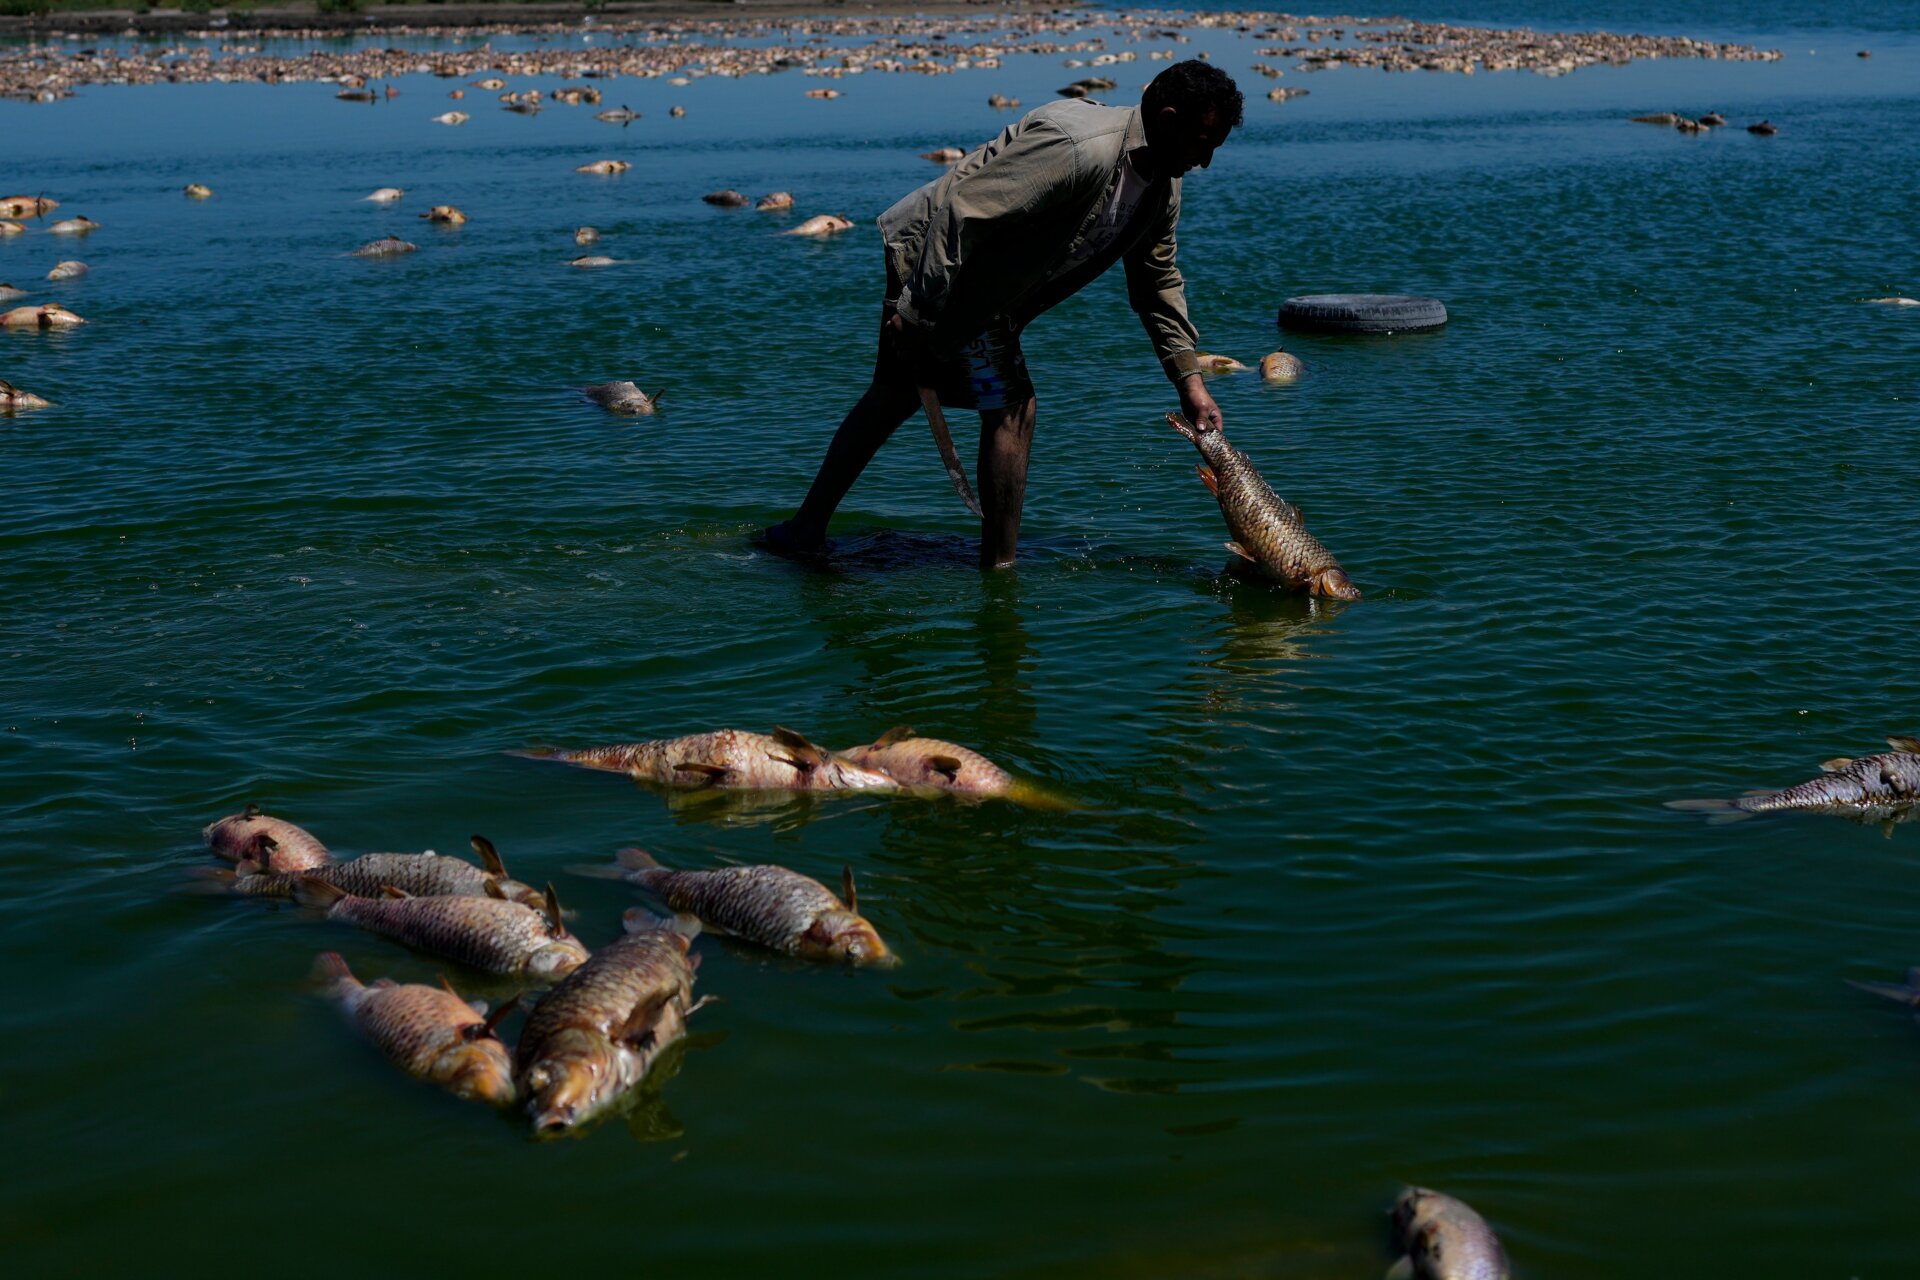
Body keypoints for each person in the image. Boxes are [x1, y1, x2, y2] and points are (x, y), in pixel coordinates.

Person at [763, 60, 1245, 569]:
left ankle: (804, 531)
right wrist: (917, 309)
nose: (1206, 161)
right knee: (1008, 406)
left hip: (989, 281)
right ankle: (998, 567)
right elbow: (963, 209)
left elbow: (1156, 282)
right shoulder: (1080, 147)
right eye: (1203, 142)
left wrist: (1189, 383)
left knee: (899, 394)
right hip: (938, 261)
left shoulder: (1162, 183)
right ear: (1168, 120)